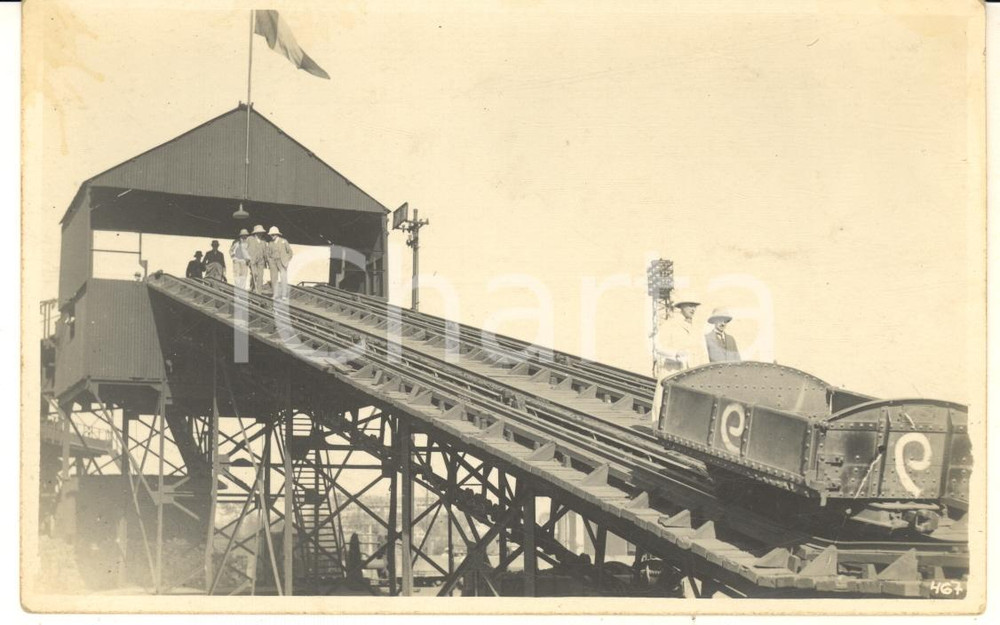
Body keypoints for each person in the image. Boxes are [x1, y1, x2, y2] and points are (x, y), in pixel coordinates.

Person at [650, 294, 706, 422]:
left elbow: (701, 350)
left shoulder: (695, 328)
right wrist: (676, 354)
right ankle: (658, 426)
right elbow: (658, 347)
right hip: (672, 370)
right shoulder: (670, 324)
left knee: (686, 404)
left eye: (695, 306)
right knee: (665, 401)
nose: (693, 309)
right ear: (681, 307)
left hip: (689, 371)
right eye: (690, 306)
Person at [267, 226, 294, 300]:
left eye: (273, 234)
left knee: (283, 279)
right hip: (273, 262)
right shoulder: (270, 243)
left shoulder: (284, 241)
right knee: (274, 278)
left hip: (282, 262)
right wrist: (269, 260)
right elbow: (268, 253)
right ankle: (275, 294)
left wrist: (286, 260)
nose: (272, 236)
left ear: (277, 234)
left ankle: (284, 295)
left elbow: (290, 252)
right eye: (271, 235)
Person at [247, 224, 268, 294]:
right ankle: (252, 287)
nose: (261, 234)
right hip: (252, 260)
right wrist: (247, 259)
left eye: (261, 232)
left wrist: (267, 260)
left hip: (261, 261)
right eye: (259, 232)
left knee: (260, 276)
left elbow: (265, 251)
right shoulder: (250, 239)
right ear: (256, 233)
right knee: (254, 274)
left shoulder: (263, 241)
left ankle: (259, 292)